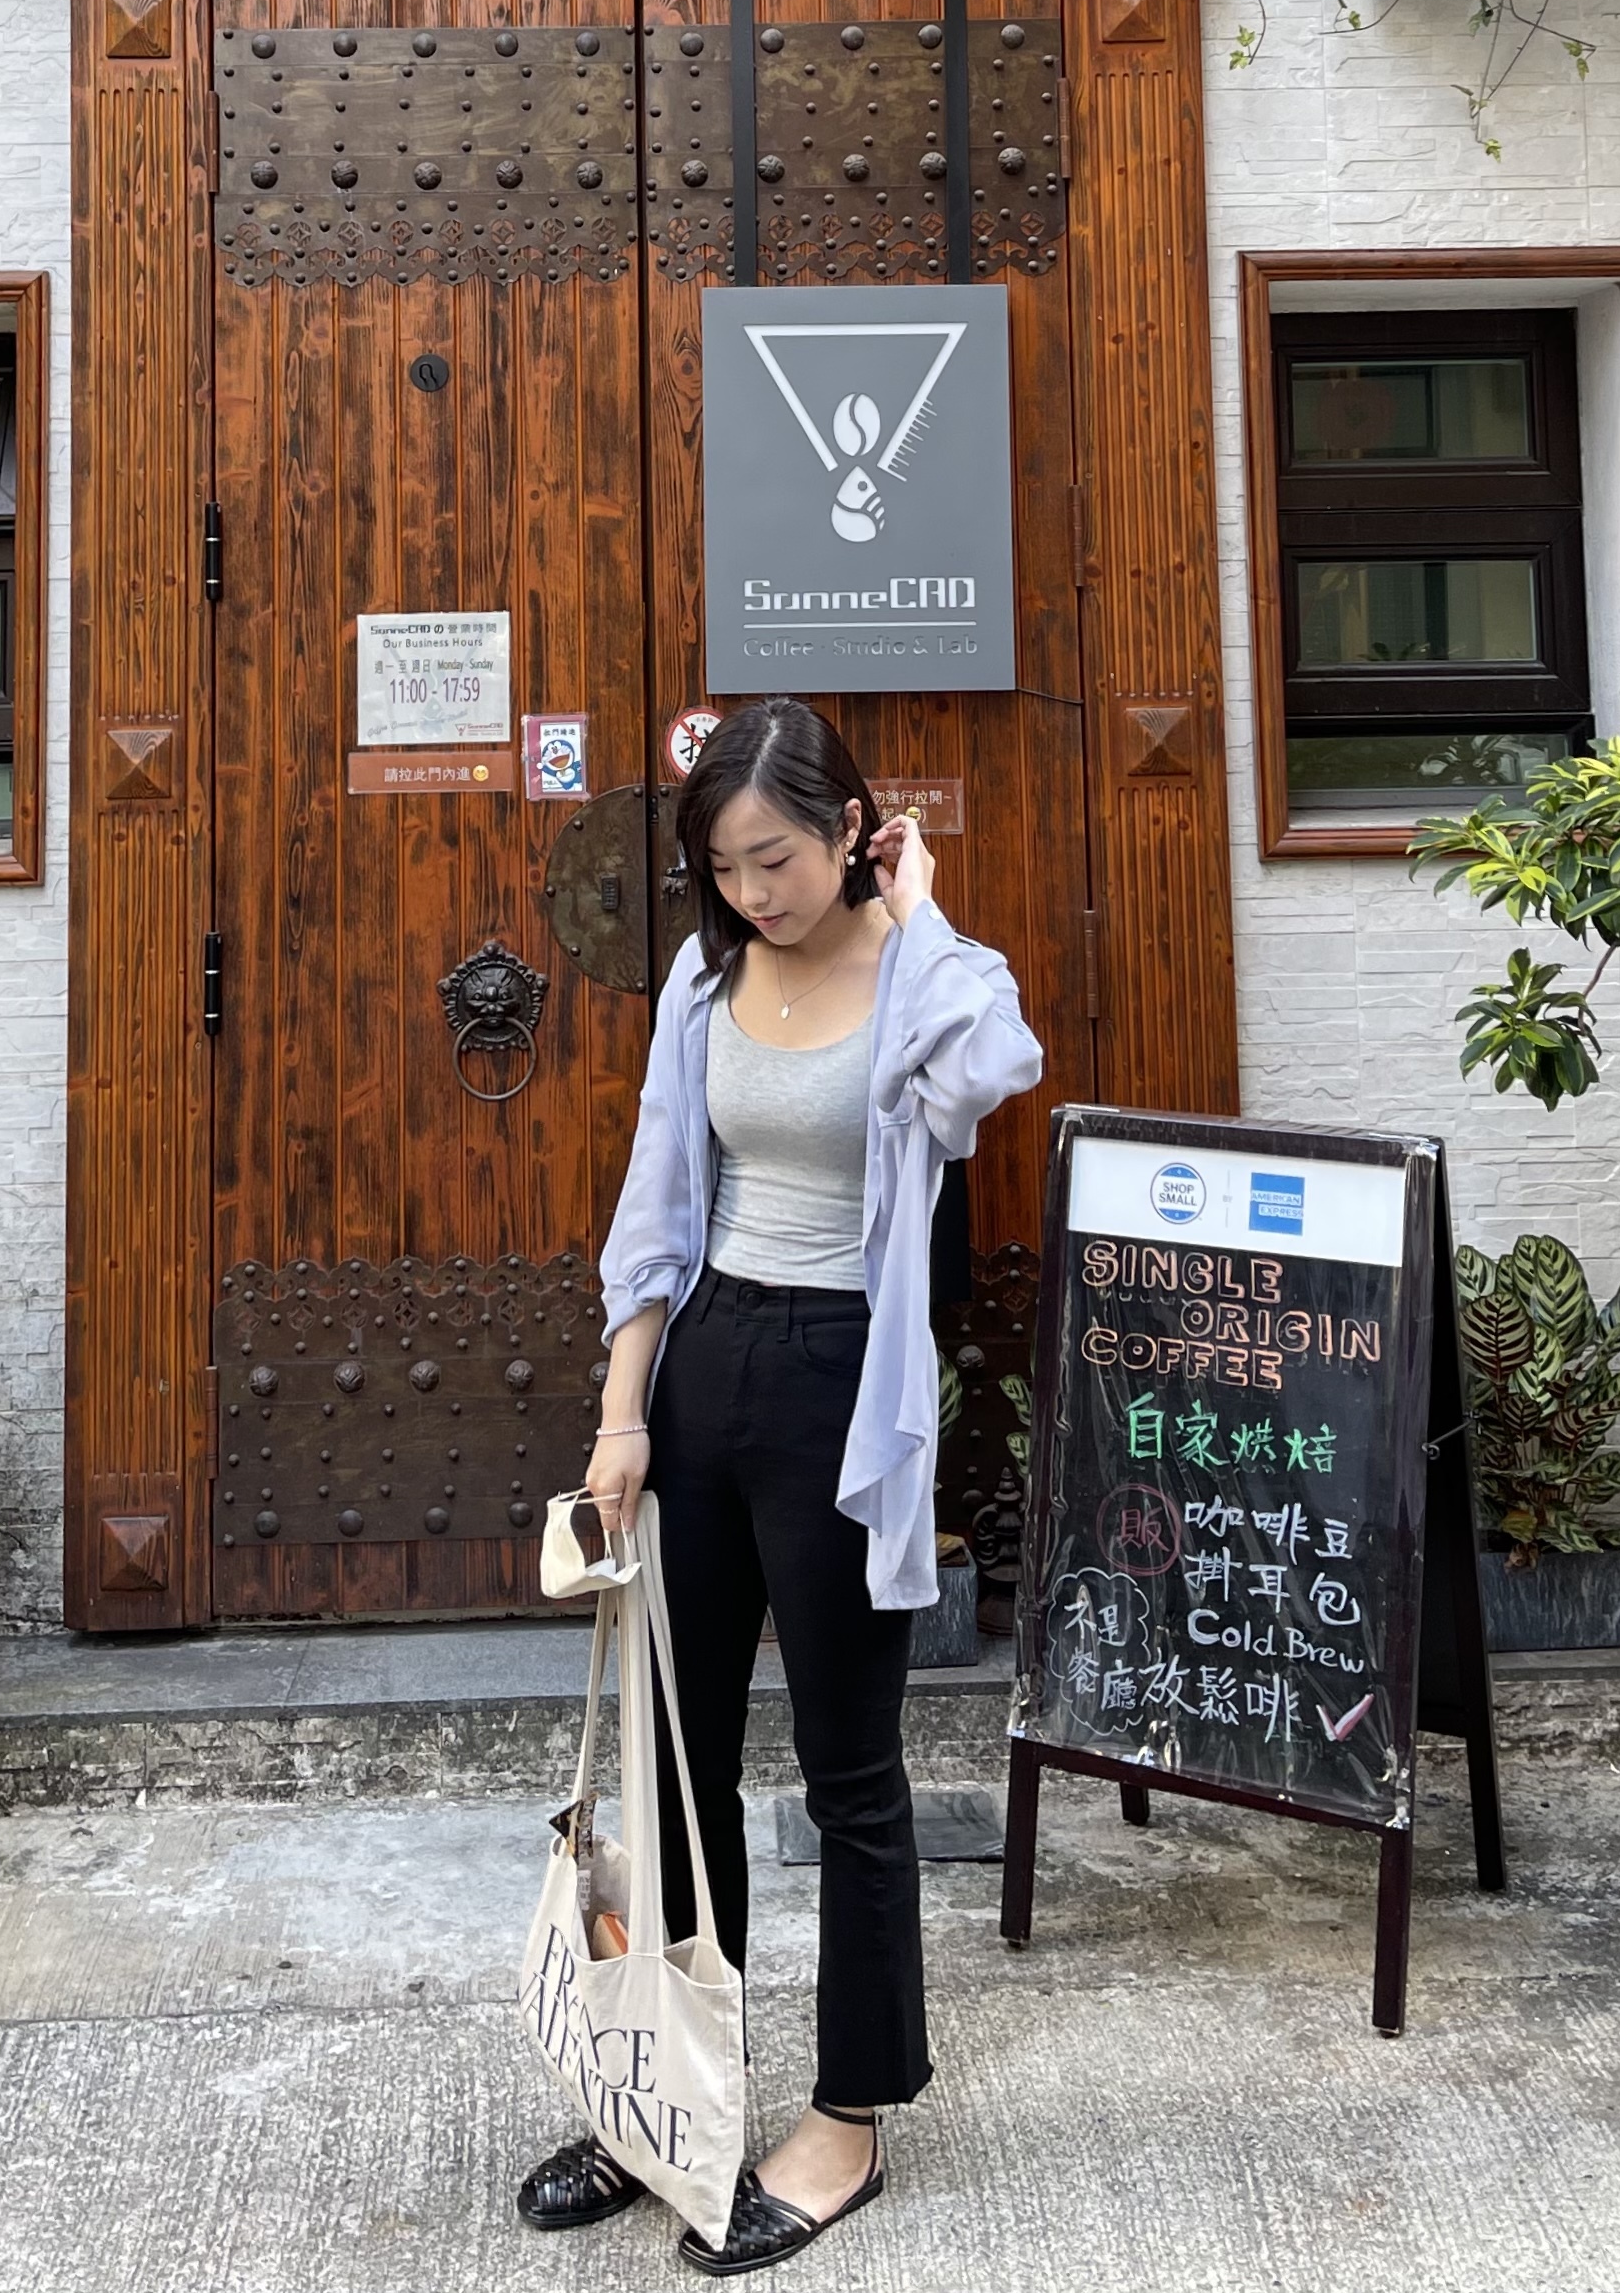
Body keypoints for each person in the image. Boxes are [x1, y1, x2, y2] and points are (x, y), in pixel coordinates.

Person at [516, 697, 1043, 2274]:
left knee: (845, 1771)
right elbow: (655, 1204)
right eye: (727, 869)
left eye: (779, 861)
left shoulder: (935, 977)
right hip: (706, 1372)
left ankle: (848, 2118)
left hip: (839, 1384)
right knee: (679, 1768)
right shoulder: (702, 980)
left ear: (849, 829)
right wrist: (622, 1416)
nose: (754, 893)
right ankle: (673, 2095)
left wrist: (916, 907)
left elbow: (991, 1071)